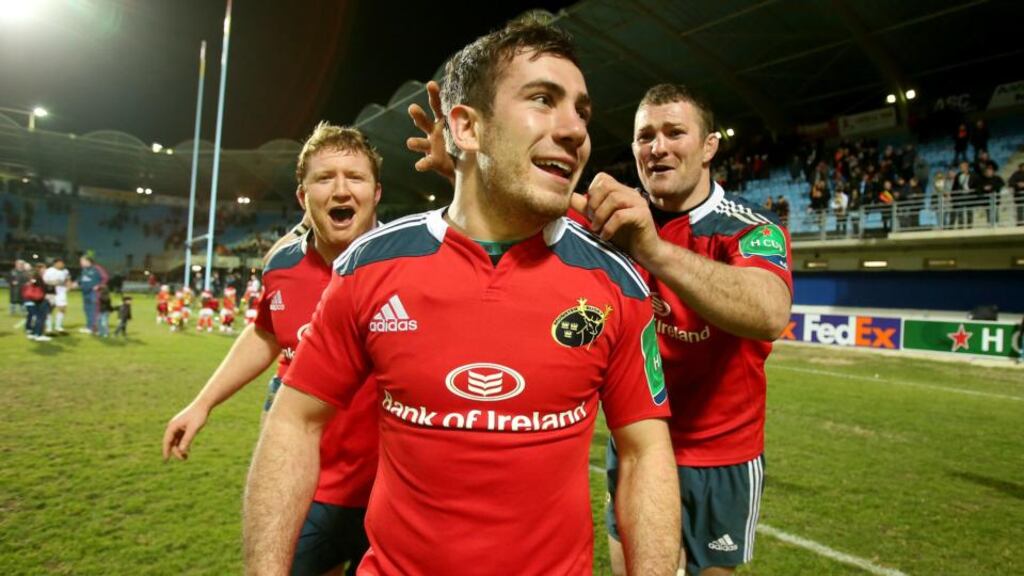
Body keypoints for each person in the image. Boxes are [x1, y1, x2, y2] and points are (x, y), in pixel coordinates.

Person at [246, 20, 679, 576]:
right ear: (467, 127)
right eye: (543, 99)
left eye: (581, 111)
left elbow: (645, 453)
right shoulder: (370, 266)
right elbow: (294, 422)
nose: (575, 129)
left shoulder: (616, 282)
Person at [407, 80, 790, 576]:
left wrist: (652, 250)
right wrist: (467, 163)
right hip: (636, 443)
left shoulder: (748, 227)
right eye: (645, 136)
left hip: (722, 455)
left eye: (675, 133)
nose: (658, 147)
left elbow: (769, 312)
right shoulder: (609, 217)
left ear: (709, 146)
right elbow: (523, 198)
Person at [164, 123, 384, 576]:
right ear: (303, 197)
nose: (341, 189)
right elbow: (266, 333)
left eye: (354, 177)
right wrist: (202, 403)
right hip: (309, 487)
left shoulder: (412, 261)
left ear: (376, 193)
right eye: (324, 178)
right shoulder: (282, 264)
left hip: (392, 493)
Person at [78, 255, 108, 334]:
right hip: (85, 293)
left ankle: (95, 328)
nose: (80, 263)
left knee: (94, 310)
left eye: (82, 261)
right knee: (87, 310)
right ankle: (89, 327)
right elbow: (81, 279)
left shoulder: (97, 268)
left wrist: (99, 286)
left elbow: (105, 278)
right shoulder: (84, 270)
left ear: (88, 261)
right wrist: (75, 284)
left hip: (94, 293)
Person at [43, 258, 71, 334]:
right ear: (55, 263)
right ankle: (49, 328)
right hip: (51, 292)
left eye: (63, 263)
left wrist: (68, 287)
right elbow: (45, 281)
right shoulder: (49, 271)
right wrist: (53, 282)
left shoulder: (65, 271)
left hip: (61, 292)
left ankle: (58, 327)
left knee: (62, 308)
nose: (62, 265)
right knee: (49, 309)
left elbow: (68, 279)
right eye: (60, 263)